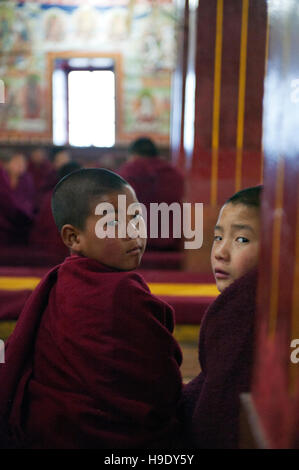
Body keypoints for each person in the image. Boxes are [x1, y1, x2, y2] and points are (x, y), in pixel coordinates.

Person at [0, 168, 183, 449]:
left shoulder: (63, 279)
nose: (132, 232)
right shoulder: (121, 292)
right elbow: (163, 386)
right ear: (73, 238)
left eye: (136, 218)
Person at [179, 185, 263, 449]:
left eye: (241, 240)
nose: (220, 252)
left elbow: (219, 411)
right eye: (218, 238)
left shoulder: (245, 306)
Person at [117, 137, 184, 251]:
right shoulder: (174, 173)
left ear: (133, 155)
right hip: (169, 241)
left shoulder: (128, 171)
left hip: (134, 242)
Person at [0, 149, 35, 245]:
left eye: (22, 163)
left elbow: (28, 200)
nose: (20, 165)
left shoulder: (27, 179)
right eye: (16, 162)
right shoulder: (3, 178)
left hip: (21, 216)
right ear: (8, 164)